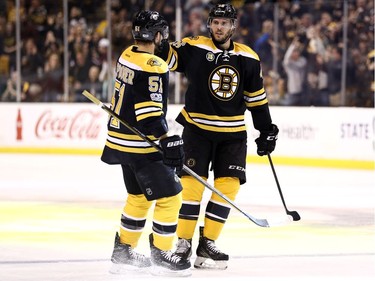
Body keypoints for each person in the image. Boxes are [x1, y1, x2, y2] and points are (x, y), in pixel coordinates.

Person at [158, 3, 278, 270]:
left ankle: (207, 244)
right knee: (191, 187)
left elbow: (256, 99)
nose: (219, 27)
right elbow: (168, 57)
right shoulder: (195, 47)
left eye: (224, 23)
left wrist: (266, 130)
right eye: (215, 22)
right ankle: (183, 243)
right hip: (197, 131)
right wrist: (159, 42)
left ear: (233, 26)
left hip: (233, 135)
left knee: (228, 187)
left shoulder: (248, 57)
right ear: (209, 24)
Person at [100, 10, 191, 276]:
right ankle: (162, 255)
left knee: (138, 197)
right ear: (159, 35)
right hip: (139, 146)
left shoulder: (126, 54)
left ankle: (123, 251)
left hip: (119, 141)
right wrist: (166, 139)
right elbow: (149, 113)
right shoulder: (154, 65)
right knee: (171, 197)